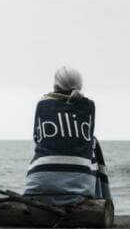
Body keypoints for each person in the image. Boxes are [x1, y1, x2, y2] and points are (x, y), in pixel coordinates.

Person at [23, 66, 111, 206]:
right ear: (79, 86)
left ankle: (42, 183)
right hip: (79, 190)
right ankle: (101, 198)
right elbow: (87, 140)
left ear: (55, 86)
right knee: (93, 144)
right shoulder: (89, 106)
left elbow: (36, 137)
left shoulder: (43, 104)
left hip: (37, 188)